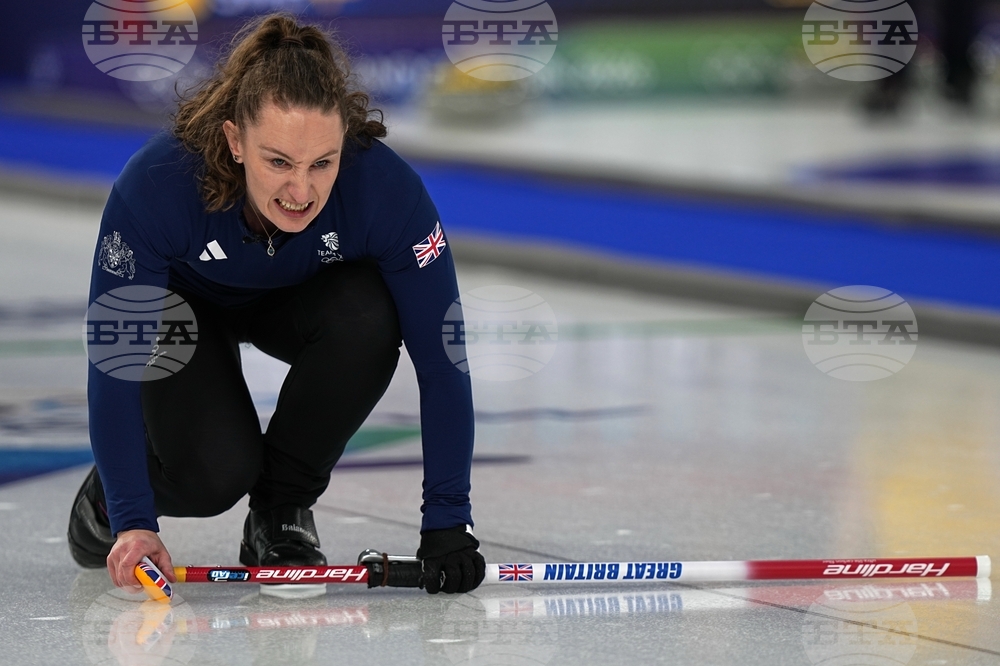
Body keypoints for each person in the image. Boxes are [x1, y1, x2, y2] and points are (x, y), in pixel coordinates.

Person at [67, 12, 485, 595]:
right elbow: (114, 362)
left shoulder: (387, 192)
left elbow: (444, 364)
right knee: (216, 474)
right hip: (184, 310)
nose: (301, 191)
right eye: (278, 161)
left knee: (368, 314)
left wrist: (448, 520)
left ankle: (281, 512)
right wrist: (133, 516)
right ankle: (103, 497)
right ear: (235, 141)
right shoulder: (158, 185)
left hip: (294, 302)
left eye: (323, 162)